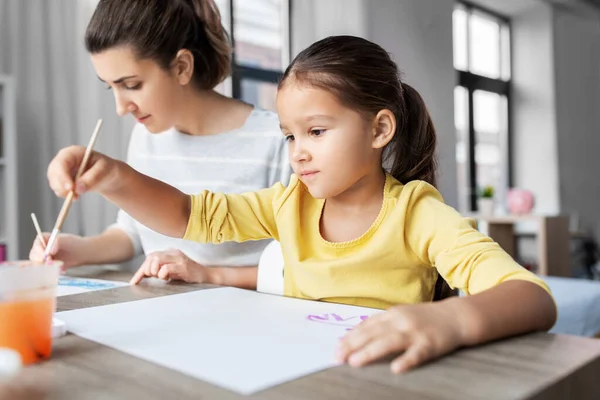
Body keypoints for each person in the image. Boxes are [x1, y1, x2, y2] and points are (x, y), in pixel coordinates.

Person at [45, 35, 557, 373]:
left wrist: (450, 320)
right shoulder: (289, 203)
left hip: (384, 377)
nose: (299, 152)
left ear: (380, 128)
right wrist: (112, 174)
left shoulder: (416, 214)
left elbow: (532, 296)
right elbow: (188, 217)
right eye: (289, 136)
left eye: (315, 131)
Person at [29, 0, 290, 287]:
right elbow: (133, 233)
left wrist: (209, 274)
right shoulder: (146, 136)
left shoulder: (278, 141)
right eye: (110, 86)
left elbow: (304, 266)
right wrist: (78, 250)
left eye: (131, 85)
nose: (121, 108)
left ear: (181, 67)